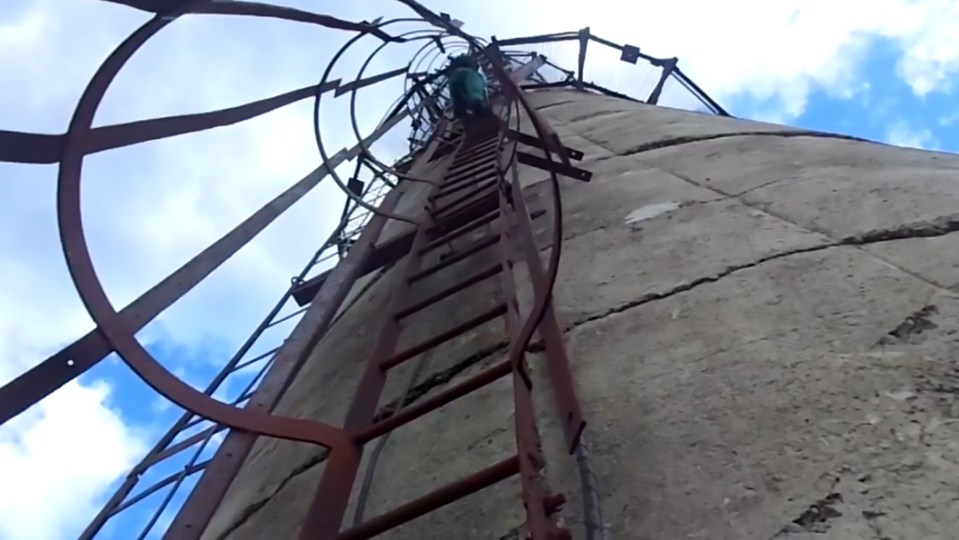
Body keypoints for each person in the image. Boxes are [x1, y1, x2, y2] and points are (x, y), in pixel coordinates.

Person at [445, 54, 491, 121]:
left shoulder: (456, 75)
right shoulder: (469, 73)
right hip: (476, 106)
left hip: (463, 109)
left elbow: (456, 98)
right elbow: (475, 92)